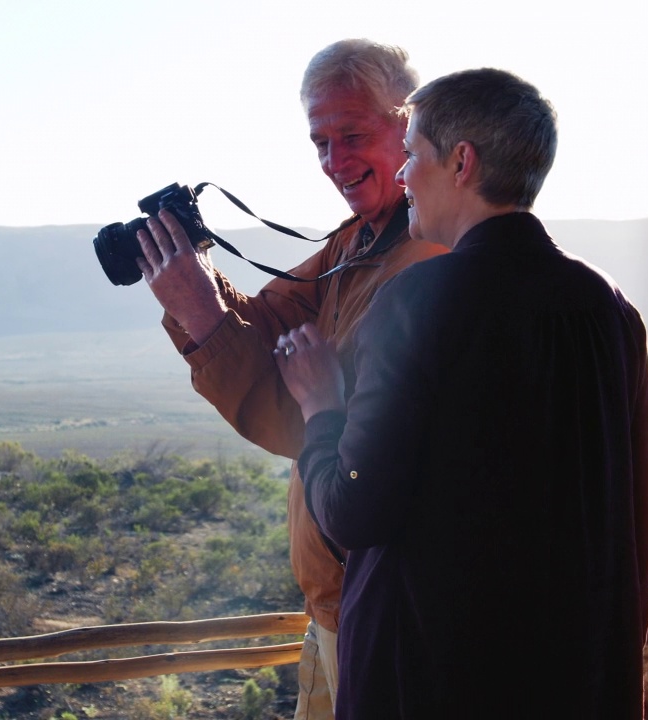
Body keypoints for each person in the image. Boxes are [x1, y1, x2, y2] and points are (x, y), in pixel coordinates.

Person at [275, 68, 648, 718]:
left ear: (462, 162)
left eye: (412, 155)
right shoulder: (607, 305)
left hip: (428, 684)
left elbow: (353, 511)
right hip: (575, 680)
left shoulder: (416, 302)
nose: (400, 177)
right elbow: (638, 509)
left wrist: (320, 410)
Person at [133, 39, 445, 718]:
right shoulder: (358, 240)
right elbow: (270, 326)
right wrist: (198, 272)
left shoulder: (425, 262)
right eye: (320, 143)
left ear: (410, 125)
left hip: (381, 606)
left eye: (353, 135)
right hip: (336, 598)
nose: (335, 162)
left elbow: (297, 421)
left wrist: (200, 311)